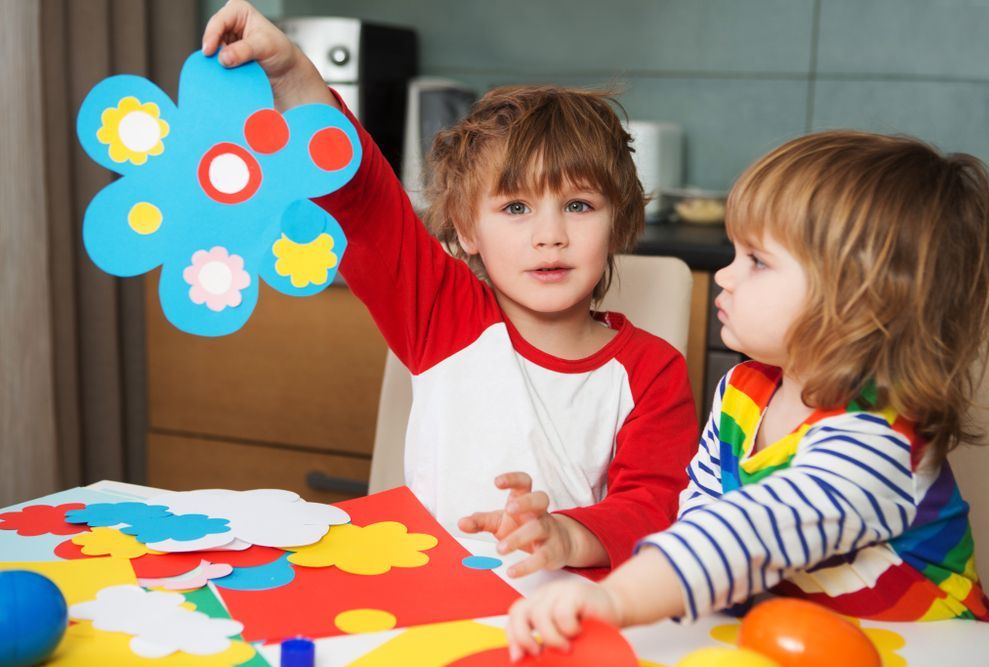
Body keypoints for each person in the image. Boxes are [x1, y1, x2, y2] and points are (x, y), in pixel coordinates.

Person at [202, 0, 699, 577]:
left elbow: (656, 510)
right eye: (515, 206)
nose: (550, 235)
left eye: (579, 205)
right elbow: (362, 198)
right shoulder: (441, 314)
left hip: (569, 614)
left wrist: (564, 534)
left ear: (618, 221)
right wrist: (293, 75)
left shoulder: (651, 371)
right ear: (466, 230)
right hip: (431, 605)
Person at [505, 129, 989, 659]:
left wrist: (619, 598)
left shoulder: (876, 438)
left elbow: (752, 532)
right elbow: (702, 512)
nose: (725, 275)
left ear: (860, 300)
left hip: (926, 649)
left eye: (757, 261)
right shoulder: (744, 391)